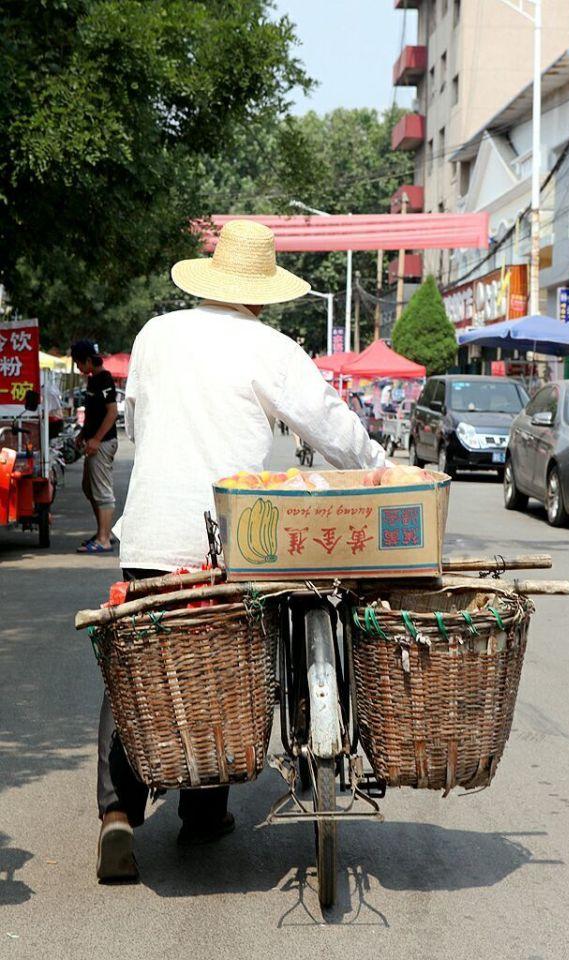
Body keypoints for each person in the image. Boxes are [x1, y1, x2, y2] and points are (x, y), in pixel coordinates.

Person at [97, 219, 386, 883]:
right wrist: (377, 464)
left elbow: (137, 421)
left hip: (151, 530)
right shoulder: (271, 348)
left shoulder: (155, 335)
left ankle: (118, 813)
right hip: (233, 540)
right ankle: (202, 816)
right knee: (226, 662)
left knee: (135, 661)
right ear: (262, 293)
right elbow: (331, 428)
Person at [70, 340, 118, 554]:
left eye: (79, 363)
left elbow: (112, 413)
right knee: (89, 488)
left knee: (102, 492)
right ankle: (102, 531)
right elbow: (93, 415)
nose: (78, 368)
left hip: (104, 442)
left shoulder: (104, 379)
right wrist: (83, 434)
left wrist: (97, 439)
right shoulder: (92, 381)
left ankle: (104, 538)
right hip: (92, 441)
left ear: (89, 360)